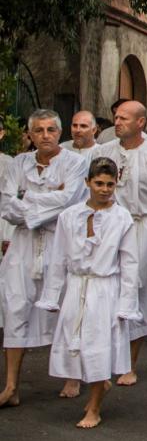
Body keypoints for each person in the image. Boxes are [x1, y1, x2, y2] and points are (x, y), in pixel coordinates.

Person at [34, 157, 140, 428]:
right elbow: (58, 257)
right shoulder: (69, 216)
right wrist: (52, 295)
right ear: (87, 182)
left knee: (98, 344)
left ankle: (94, 407)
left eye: (110, 184)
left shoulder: (122, 218)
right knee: (77, 343)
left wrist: (127, 303)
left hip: (105, 289)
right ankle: (98, 385)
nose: (104, 189)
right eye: (99, 183)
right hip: (77, 287)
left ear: (116, 184)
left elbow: (129, 263)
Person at [0, 109, 89, 407]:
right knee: (15, 306)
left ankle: (72, 375)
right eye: (39, 130)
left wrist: (25, 197)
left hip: (60, 242)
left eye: (51, 130)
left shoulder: (75, 163)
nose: (45, 135)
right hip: (23, 243)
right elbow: (6, 204)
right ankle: (11, 385)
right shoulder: (18, 163)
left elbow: (68, 201)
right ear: (30, 134)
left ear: (59, 133)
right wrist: (45, 199)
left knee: (67, 306)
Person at [92, 100, 147, 386]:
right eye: (116, 117)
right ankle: (101, 358)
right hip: (107, 228)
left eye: (124, 118)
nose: (117, 122)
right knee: (103, 290)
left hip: (142, 228)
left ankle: (130, 362)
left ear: (141, 122)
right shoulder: (103, 152)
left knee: (139, 294)